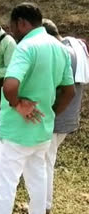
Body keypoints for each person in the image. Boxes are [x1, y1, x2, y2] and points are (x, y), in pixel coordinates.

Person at [0, 3, 75, 214]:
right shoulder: (60, 48)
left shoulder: (26, 47)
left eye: (12, 26)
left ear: (21, 23)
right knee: (38, 183)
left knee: (4, 188)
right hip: (42, 131)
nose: (12, 32)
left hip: (15, 133)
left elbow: (10, 85)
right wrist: (51, 112)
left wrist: (18, 104)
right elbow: (70, 92)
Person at [42, 18, 88, 214]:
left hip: (57, 118)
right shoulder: (73, 45)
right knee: (46, 159)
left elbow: (56, 89)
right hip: (69, 116)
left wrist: (49, 113)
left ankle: (45, 205)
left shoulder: (61, 53)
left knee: (46, 162)